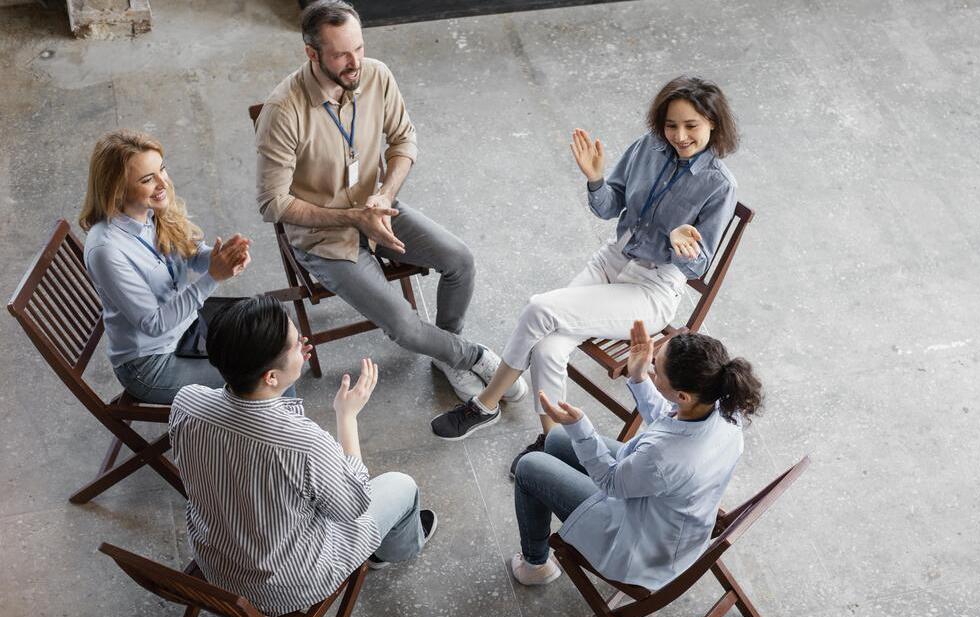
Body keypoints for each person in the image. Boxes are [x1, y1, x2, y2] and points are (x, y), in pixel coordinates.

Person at [430, 75, 739, 470]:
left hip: (654, 287)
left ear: (713, 123)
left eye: (691, 126)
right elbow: (608, 208)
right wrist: (595, 179)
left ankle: (485, 403)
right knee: (547, 348)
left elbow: (699, 265)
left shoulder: (719, 184)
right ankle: (550, 443)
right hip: (613, 258)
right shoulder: (648, 147)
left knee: (539, 308)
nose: (679, 136)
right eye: (671, 124)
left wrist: (681, 245)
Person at [254, 0, 524, 404]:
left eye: (359, 48)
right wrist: (353, 217)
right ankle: (471, 356)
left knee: (460, 261)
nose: (355, 62)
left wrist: (384, 195)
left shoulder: (376, 75)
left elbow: (404, 140)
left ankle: (445, 353)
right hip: (323, 237)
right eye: (342, 54)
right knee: (406, 327)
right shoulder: (282, 112)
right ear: (311, 53)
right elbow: (272, 204)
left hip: (379, 210)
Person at [169, 295, 437, 617]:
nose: (305, 345)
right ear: (270, 376)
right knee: (401, 486)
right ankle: (390, 551)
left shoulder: (186, 402)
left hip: (218, 564)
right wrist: (346, 416)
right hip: (285, 584)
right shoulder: (304, 444)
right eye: (298, 344)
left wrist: (288, 366)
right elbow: (353, 506)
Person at [507, 320, 762, 587]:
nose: (652, 367)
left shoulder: (663, 456)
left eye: (656, 369)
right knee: (558, 438)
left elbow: (611, 483)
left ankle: (536, 565)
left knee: (529, 467)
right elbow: (670, 420)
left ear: (683, 395)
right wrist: (639, 376)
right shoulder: (722, 406)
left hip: (642, 548)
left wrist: (580, 428)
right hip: (671, 514)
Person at [80, 129, 253, 404]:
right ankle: (287, 443)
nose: (163, 183)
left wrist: (221, 257)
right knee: (264, 373)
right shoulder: (107, 250)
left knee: (273, 336)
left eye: (162, 169)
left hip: (189, 329)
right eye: (148, 179)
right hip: (151, 363)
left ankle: (282, 440)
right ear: (117, 188)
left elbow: (192, 254)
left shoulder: (151, 211)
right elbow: (154, 323)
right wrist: (212, 277)